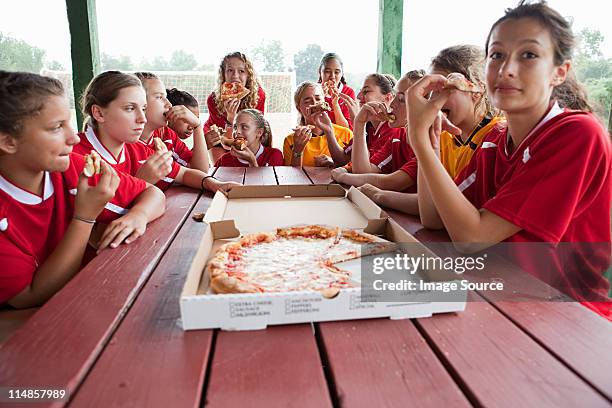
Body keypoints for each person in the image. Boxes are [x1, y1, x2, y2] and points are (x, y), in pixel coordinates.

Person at [405, 1, 611, 319]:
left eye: (528, 55)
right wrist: (428, 146)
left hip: (567, 315)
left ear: (560, 72)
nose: (506, 69)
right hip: (501, 294)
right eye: (497, 55)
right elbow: (434, 218)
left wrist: (417, 137)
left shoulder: (577, 134)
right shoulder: (495, 141)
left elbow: (471, 239)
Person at [0, 71, 166, 308]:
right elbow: (30, 297)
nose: (74, 138)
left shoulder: (71, 168)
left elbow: (152, 194)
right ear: (8, 141)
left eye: (69, 123)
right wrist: (85, 217)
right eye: (57, 127)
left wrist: (137, 216)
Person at [358, 46, 503, 215]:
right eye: (429, 93)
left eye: (443, 89)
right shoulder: (444, 139)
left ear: (476, 90)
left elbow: (439, 213)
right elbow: (431, 215)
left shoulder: (494, 139)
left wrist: (378, 194)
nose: (434, 101)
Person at [76, 71, 239, 194]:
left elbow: (186, 174)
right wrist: (141, 183)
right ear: (98, 113)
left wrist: (216, 184)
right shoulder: (77, 157)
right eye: (130, 108)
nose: (142, 118)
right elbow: (96, 222)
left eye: (143, 108)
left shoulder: (146, 145)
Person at [331, 70, 426, 193]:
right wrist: (359, 124)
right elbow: (361, 171)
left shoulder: (397, 133)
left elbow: (390, 182)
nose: (392, 104)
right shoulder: (398, 138)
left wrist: (344, 175)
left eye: (401, 99)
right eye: (395, 96)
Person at [135, 72, 209, 171]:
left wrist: (198, 126)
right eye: (159, 97)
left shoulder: (167, 134)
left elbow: (200, 170)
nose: (169, 104)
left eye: (165, 97)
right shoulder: (126, 143)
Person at [203, 52, 266, 163]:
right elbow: (225, 142)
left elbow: (255, 132)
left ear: (248, 76)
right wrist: (231, 118)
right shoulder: (213, 99)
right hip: (219, 136)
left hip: (246, 134)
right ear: (223, 74)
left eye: (241, 71)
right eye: (230, 70)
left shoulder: (258, 96)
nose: (235, 76)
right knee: (221, 168)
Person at [282, 82, 353, 167]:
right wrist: (297, 151)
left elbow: (355, 169)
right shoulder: (291, 140)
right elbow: (291, 176)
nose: (314, 103)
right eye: (307, 101)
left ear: (325, 103)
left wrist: (335, 163)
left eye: (318, 99)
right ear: (299, 108)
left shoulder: (345, 134)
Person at [215, 109, 283, 167]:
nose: (237, 132)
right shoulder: (224, 160)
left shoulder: (274, 155)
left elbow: (267, 182)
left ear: (259, 132)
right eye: (235, 127)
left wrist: (252, 161)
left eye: (244, 127)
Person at [318, 53, 356, 129]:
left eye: (337, 72)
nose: (332, 76)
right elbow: (311, 123)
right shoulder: (313, 91)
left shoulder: (348, 93)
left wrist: (335, 104)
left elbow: (345, 128)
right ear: (320, 72)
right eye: (328, 71)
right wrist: (321, 98)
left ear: (342, 74)